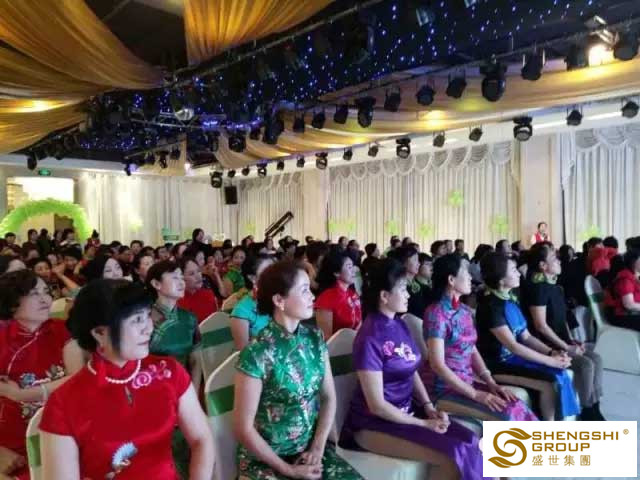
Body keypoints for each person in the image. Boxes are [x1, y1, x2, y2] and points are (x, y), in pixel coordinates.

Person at [39, 279, 214, 480]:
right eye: (137, 320)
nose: (148, 328)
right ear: (100, 333)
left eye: (147, 316)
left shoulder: (167, 371)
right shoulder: (64, 403)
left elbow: (201, 439)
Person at [340, 258, 484, 480]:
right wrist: (424, 423)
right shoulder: (369, 337)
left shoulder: (399, 323)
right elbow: (377, 406)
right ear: (384, 296)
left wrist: (428, 407)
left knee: (470, 440)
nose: (408, 295)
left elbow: (411, 370)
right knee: (454, 454)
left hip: (409, 411)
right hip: (376, 424)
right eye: (402, 289)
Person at [233, 261, 362, 480]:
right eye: (304, 290)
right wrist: (289, 470)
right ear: (279, 300)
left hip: (308, 451)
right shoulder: (257, 353)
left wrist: (317, 448)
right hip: (265, 459)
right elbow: (242, 428)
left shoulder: (315, 339)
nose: (312, 296)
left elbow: (329, 397)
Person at [421, 254, 537, 422]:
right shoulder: (436, 313)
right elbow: (437, 365)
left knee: (516, 404)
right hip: (443, 388)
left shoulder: (464, 311)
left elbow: (472, 349)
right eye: (466, 272)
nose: (471, 277)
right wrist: (475, 394)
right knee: (507, 414)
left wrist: (490, 382)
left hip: (466, 381)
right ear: (451, 280)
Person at [476, 252, 580, 420]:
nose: (519, 273)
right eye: (513, 270)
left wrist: (551, 352)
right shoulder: (491, 307)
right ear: (501, 280)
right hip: (498, 363)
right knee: (551, 382)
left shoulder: (509, 300)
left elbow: (526, 337)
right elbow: (513, 346)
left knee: (560, 370)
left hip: (514, 358)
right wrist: (550, 361)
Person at [0, 270, 84, 480]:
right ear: (12, 303)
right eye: (34, 293)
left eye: (46, 291)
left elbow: (77, 379)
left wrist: (23, 395)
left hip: (62, 431)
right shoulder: (2, 339)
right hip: (12, 441)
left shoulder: (62, 331)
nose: (44, 298)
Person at [522, 244, 605, 420]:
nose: (559, 261)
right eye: (554, 258)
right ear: (543, 266)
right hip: (546, 345)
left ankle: (595, 407)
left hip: (562, 342)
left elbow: (562, 320)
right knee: (585, 365)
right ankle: (586, 411)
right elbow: (540, 326)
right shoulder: (538, 289)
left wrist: (572, 341)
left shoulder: (555, 287)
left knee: (597, 359)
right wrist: (566, 347)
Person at [229, 254, 275, 350]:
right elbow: (244, 353)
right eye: (268, 272)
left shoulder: (280, 300)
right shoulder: (241, 311)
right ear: (252, 278)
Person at [314, 251, 362, 339]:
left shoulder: (353, 294)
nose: (354, 270)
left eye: (353, 266)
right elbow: (325, 337)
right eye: (349, 267)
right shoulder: (326, 298)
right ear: (337, 273)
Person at [389, 246, 432, 319]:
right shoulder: (399, 286)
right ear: (404, 262)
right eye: (415, 260)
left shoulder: (417, 284)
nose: (418, 264)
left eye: (418, 260)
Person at [177, 256, 219, 324]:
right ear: (181, 278)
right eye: (191, 274)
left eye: (198, 271)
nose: (198, 276)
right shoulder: (176, 301)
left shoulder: (209, 294)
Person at [607, 249, 640, 332]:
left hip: (632, 313)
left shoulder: (634, 277)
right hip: (623, 315)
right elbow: (629, 304)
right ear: (633, 262)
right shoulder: (625, 279)